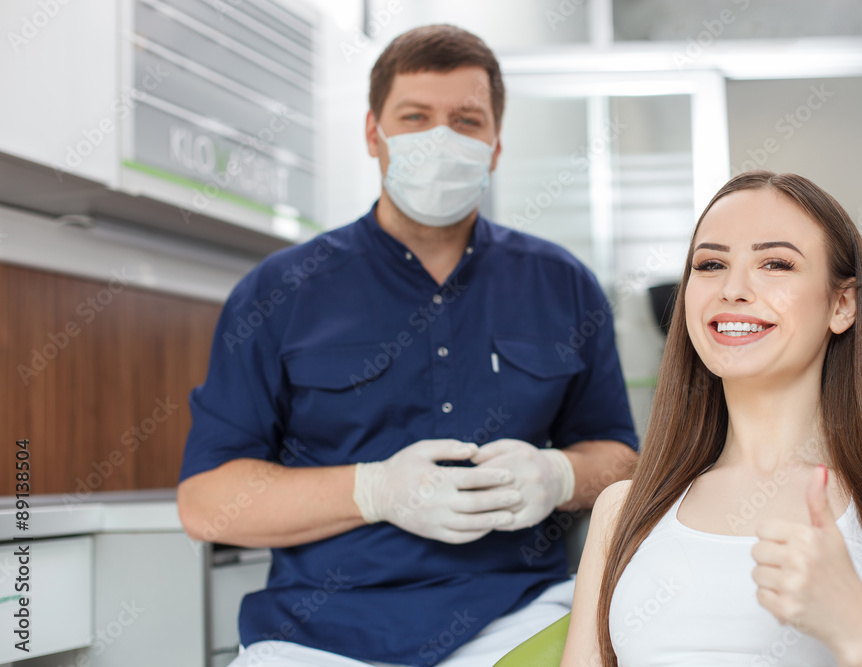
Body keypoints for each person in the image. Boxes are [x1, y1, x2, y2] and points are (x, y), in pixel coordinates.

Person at [176, 24, 639, 667]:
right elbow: (206, 504)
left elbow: (624, 460)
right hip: (316, 635)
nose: (440, 140)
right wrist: (373, 490)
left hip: (518, 620)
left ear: (496, 145)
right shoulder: (278, 292)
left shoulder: (562, 286)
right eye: (415, 118)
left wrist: (560, 475)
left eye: (466, 121)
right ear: (374, 133)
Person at [562, 171, 862, 666]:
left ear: (842, 304)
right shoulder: (623, 511)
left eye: (776, 263)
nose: (733, 288)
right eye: (711, 264)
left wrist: (859, 627)